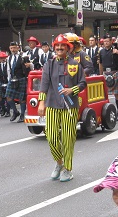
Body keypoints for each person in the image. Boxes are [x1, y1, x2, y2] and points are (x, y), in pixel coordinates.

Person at [37, 34, 86, 182]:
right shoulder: (48, 64)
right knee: (51, 136)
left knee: (68, 139)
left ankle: (68, 169)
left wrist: (73, 90)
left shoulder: (75, 64)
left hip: (70, 106)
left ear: (67, 47)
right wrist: (41, 102)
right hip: (52, 105)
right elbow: (44, 84)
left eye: (62, 46)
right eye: (57, 46)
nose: (59, 48)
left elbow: (83, 83)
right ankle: (59, 163)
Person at [99, 35, 118, 121]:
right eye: (104, 41)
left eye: (107, 41)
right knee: (105, 95)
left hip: (115, 72)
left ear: (111, 42)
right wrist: (100, 75)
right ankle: (107, 113)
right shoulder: (101, 52)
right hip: (105, 73)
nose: (106, 43)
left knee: (117, 94)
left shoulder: (115, 50)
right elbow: (100, 64)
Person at [6, 41, 33, 123]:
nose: (13, 49)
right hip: (13, 79)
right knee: (8, 96)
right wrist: (9, 80)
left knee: (22, 99)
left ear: (18, 47)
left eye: (14, 47)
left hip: (22, 78)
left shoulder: (24, 56)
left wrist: (30, 65)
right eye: (11, 48)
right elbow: (8, 70)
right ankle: (15, 111)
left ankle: (22, 115)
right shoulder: (9, 58)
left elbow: (30, 66)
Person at [0, 51, 10, 117]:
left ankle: (8, 111)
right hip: (1, 82)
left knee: (7, 97)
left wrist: (9, 82)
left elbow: (9, 73)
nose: (2, 59)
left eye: (3, 58)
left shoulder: (8, 64)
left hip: (7, 82)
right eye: (1, 58)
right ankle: (3, 109)